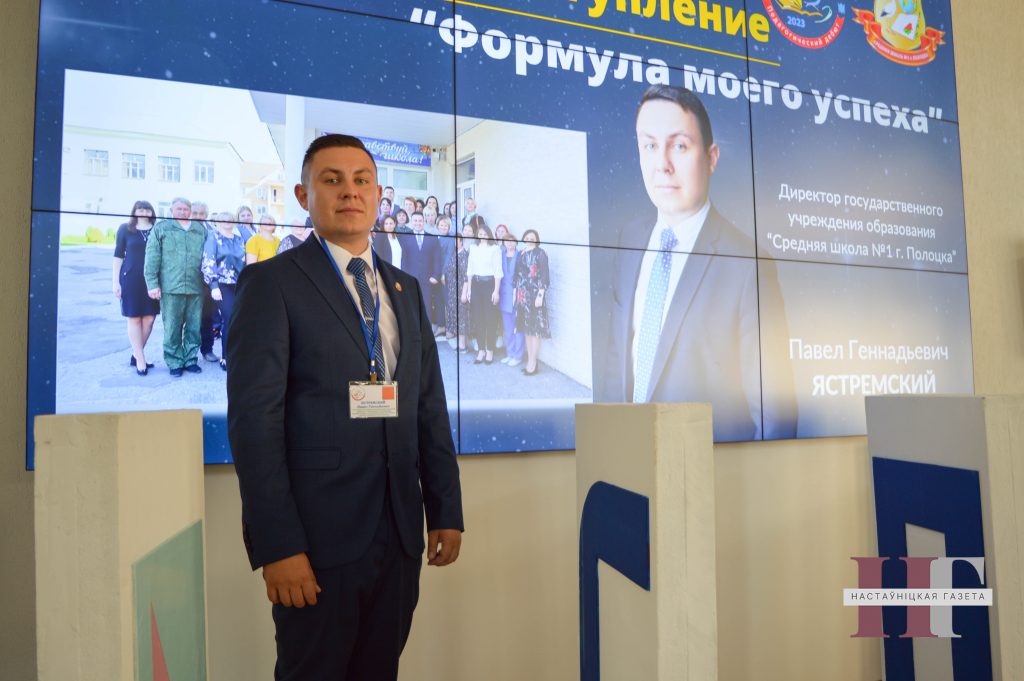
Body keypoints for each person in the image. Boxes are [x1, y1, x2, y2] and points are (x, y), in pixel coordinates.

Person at [227, 133, 463, 680]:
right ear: (303, 195)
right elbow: (254, 425)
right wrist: (278, 545)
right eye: (331, 180)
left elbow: (428, 406)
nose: (349, 192)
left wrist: (445, 508)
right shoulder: (272, 283)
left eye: (361, 181)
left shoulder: (405, 289)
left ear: (378, 195)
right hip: (315, 542)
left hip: (399, 534)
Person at [592, 84, 796, 441]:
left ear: (711, 158)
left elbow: (775, 416)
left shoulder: (748, 265)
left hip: (710, 470)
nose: (662, 165)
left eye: (679, 146)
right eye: (650, 146)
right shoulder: (630, 239)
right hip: (629, 461)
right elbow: (617, 364)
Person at [143, 196, 208, 377]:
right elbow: (152, 257)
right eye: (179, 209)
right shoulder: (161, 228)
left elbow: (209, 256)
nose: (183, 212)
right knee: (172, 327)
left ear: (190, 211)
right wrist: (152, 284)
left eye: (186, 209)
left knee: (194, 327)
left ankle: (190, 359)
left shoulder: (199, 230)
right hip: (171, 286)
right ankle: (174, 362)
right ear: (171, 210)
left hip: (196, 286)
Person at [113, 200, 160, 375]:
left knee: (149, 319)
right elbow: (118, 256)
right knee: (134, 318)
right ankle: (140, 359)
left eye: (147, 209)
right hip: (131, 278)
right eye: (140, 209)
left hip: (152, 280)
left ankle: (136, 353)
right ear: (134, 211)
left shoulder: (157, 229)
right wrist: (115, 282)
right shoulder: (125, 229)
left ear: (151, 212)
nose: (144, 212)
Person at [202, 212, 246, 371]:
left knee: (239, 319)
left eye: (230, 219)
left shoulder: (239, 239)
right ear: (218, 222)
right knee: (230, 318)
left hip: (239, 284)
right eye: (224, 220)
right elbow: (208, 261)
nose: (228, 222)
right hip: (222, 285)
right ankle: (226, 358)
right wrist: (213, 286)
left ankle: (238, 354)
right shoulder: (213, 237)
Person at [463, 219, 502, 364]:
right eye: (480, 233)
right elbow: (470, 270)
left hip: (489, 285)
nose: (483, 236)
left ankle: (489, 350)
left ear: (489, 235)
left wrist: (496, 291)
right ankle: (481, 350)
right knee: (478, 319)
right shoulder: (473, 248)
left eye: (485, 234)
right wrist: (469, 290)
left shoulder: (495, 249)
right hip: (476, 285)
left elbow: (498, 271)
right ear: (477, 235)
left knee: (490, 319)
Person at [399, 211, 443, 332]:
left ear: (424, 221)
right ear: (411, 222)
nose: (418, 223)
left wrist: (436, 275)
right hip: (410, 278)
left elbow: (437, 258)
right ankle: (413, 331)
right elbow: (403, 258)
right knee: (411, 305)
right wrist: (404, 277)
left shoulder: (432, 238)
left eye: (420, 220)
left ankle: (426, 332)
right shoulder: (404, 237)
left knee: (426, 305)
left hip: (427, 278)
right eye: (415, 220)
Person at [514, 229, 550, 376]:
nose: (529, 239)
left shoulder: (540, 253)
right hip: (523, 295)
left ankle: (533, 363)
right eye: (527, 237)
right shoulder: (521, 253)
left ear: (536, 239)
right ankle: (530, 360)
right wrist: (516, 294)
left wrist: (540, 295)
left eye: (532, 237)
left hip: (535, 295)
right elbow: (517, 275)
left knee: (535, 331)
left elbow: (545, 276)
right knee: (527, 330)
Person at [192, 200, 220, 363]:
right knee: (187, 319)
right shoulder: (184, 229)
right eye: (194, 213)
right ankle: (187, 354)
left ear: (206, 215)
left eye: (201, 213)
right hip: (187, 280)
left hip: (206, 282)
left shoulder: (213, 231)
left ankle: (207, 350)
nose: (198, 216)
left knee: (207, 318)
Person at [497, 226, 524, 367]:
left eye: (512, 241)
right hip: (504, 296)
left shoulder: (520, 256)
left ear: (516, 243)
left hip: (517, 296)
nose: (510, 243)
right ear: (504, 243)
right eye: (507, 241)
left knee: (518, 327)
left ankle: (518, 356)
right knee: (508, 328)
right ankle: (510, 353)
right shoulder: (500, 255)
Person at [435, 216, 456, 341]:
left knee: (448, 301)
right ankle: (441, 326)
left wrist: (443, 273)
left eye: (446, 225)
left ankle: (451, 328)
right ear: (437, 226)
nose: (443, 227)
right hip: (435, 274)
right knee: (438, 301)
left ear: (449, 227)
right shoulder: (434, 238)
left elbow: (449, 257)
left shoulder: (450, 239)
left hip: (445, 274)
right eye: (441, 225)